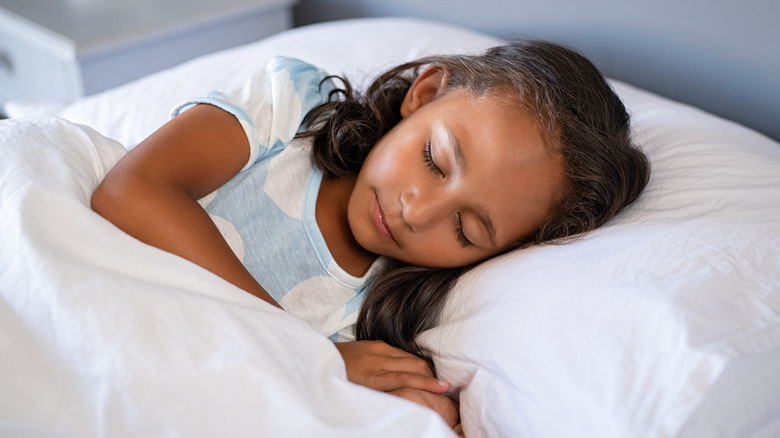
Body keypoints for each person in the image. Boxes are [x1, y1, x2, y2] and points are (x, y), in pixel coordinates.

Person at [92, 40, 650, 432]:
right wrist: (303, 351)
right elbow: (130, 192)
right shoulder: (290, 107)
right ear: (426, 93)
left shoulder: (377, 318)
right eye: (434, 160)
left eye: (466, 229)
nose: (417, 212)